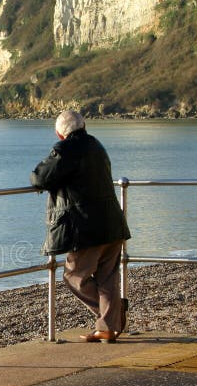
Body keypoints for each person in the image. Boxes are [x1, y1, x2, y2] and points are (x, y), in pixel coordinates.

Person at [30, 110, 131, 343]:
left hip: (87, 227)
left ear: (59, 133)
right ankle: (107, 326)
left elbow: (39, 178)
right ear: (83, 125)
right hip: (113, 224)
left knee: (74, 276)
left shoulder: (66, 150)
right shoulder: (97, 146)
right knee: (107, 278)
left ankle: (111, 317)